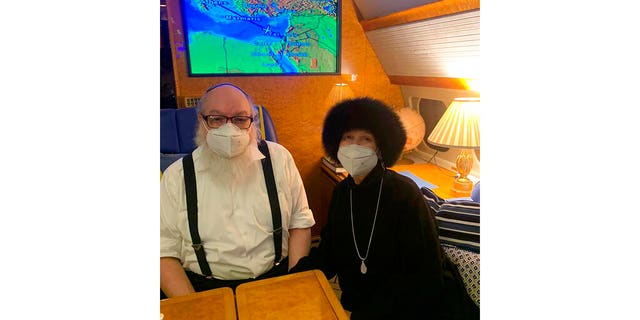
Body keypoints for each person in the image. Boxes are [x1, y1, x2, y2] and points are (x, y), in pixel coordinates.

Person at [292, 97, 445, 319]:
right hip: (359, 306)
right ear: (337, 144)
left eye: (365, 139)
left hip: (404, 309)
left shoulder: (404, 193)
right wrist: (291, 277)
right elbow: (329, 254)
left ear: (380, 147)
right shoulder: (342, 192)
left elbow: (425, 275)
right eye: (348, 138)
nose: (355, 146)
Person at [160, 83, 315, 298]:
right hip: (205, 289)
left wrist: (294, 284)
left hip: (278, 278)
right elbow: (163, 251)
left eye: (240, 119)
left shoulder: (279, 159)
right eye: (217, 119)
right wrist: (193, 307)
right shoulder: (176, 176)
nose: (229, 129)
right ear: (201, 121)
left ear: (252, 122)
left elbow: (300, 222)